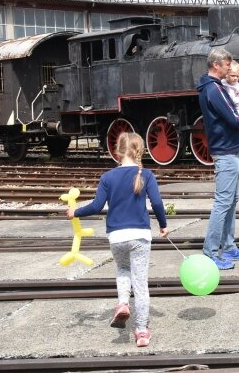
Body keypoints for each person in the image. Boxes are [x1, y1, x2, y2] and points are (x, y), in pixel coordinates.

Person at [67, 132, 168, 348]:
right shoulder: (146, 174)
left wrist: (75, 212)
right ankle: (141, 331)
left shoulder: (107, 177)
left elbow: (96, 206)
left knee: (123, 270)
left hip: (117, 236)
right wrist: (163, 225)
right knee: (140, 283)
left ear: (117, 151)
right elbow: (158, 203)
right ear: (139, 151)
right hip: (140, 235)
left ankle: (123, 303)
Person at [197, 47, 239, 270]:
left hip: (229, 148)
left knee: (230, 201)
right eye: (226, 65)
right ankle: (211, 251)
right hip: (226, 151)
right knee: (223, 202)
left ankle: (229, 246)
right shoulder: (213, 89)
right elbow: (233, 119)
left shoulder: (214, 88)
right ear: (216, 65)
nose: (229, 68)